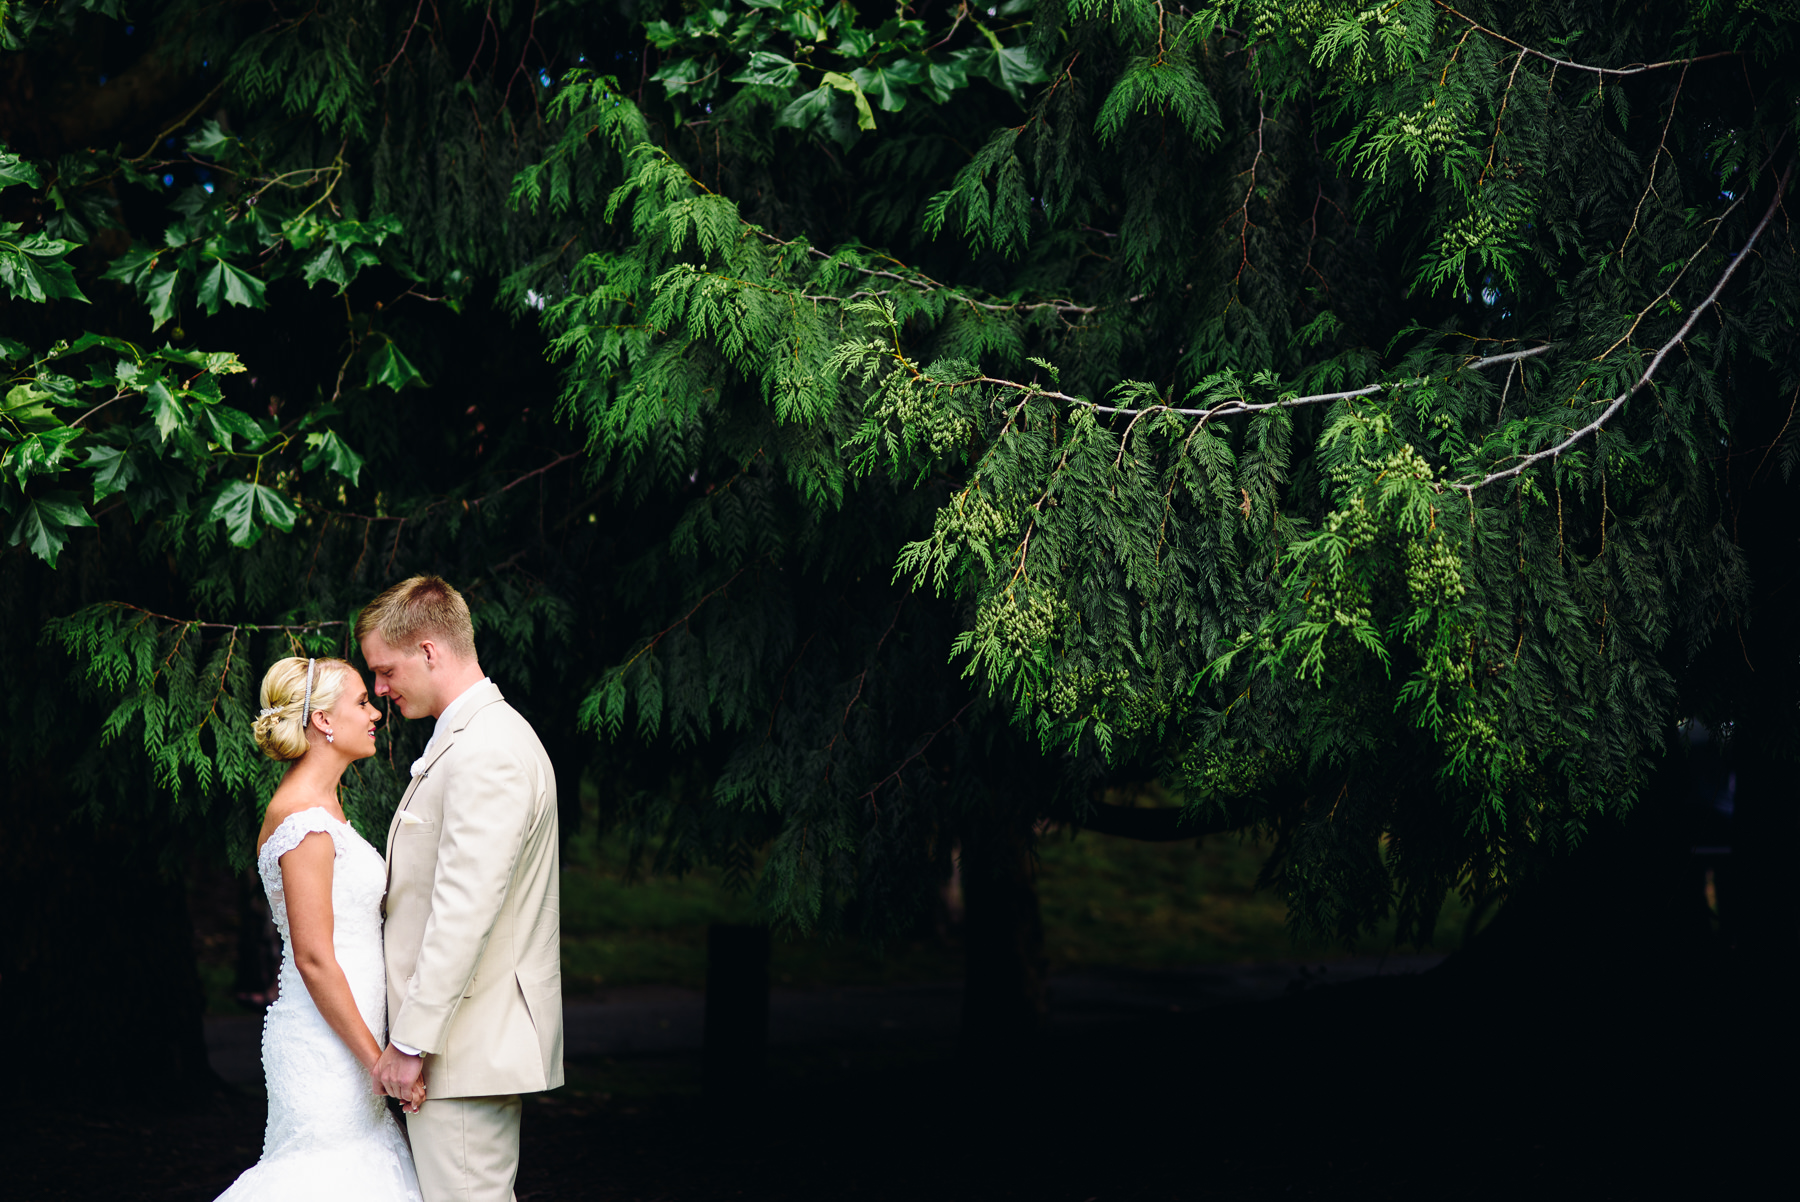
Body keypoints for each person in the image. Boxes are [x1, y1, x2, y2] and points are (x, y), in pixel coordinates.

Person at [359, 575, 564, 1202]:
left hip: (463, 1049)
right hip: (461, 1046)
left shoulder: (487, 751)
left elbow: (463, 910)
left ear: (428, 650)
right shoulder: (473, 740)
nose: (378, 690)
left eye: (385, 670)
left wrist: (410, 1042)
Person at [216, 656, 424, 1202]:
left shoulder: (327, 808)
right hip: (328, 1048)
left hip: (350, 1040)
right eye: (361, 702)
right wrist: (376, 1059)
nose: (376, 712)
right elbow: (313, 956)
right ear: (324, 721)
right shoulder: (303, 821)